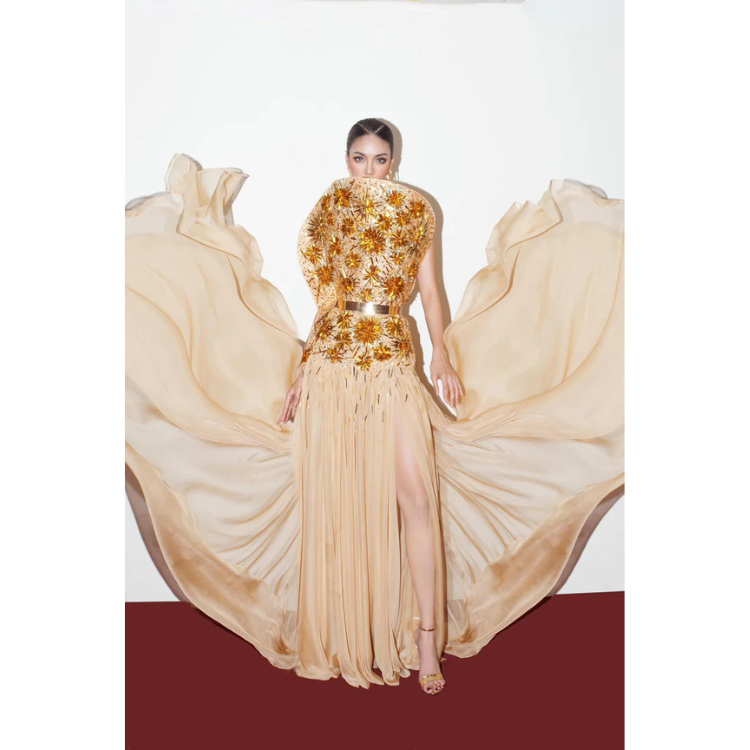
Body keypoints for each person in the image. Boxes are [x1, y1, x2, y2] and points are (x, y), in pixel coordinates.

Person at [125, 118, 624, 695]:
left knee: (416, 499)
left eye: (379, 159)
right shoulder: (331, 207)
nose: (369, 169)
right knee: (339, 500)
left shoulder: (416, 211)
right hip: (333, 368)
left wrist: (441, 355)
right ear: (347, 159)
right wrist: (303, 370)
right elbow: (327, 301)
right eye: (359, 158)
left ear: (394, 161)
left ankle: (425, 639)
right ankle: (346, 636)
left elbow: (430, 293)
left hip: (391, 363)